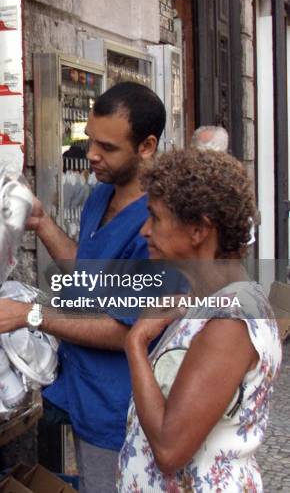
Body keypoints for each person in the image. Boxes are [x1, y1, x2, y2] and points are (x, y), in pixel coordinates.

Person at [0, 82, 166, 491]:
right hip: (83, 389)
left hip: (121, 406)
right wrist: (42, 223)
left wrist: (30, 316)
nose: (91, 154)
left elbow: (125, 329)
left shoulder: (156, 226)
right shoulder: (100, 196)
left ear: (146, 146)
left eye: (107, 147)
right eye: (90, 140)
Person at [117, 149, 281, 491]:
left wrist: (134, 344)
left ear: (198, 230)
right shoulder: (211, 302)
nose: (145, 231)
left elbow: (169, 448)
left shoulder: (230, 321)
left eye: (156, 218)